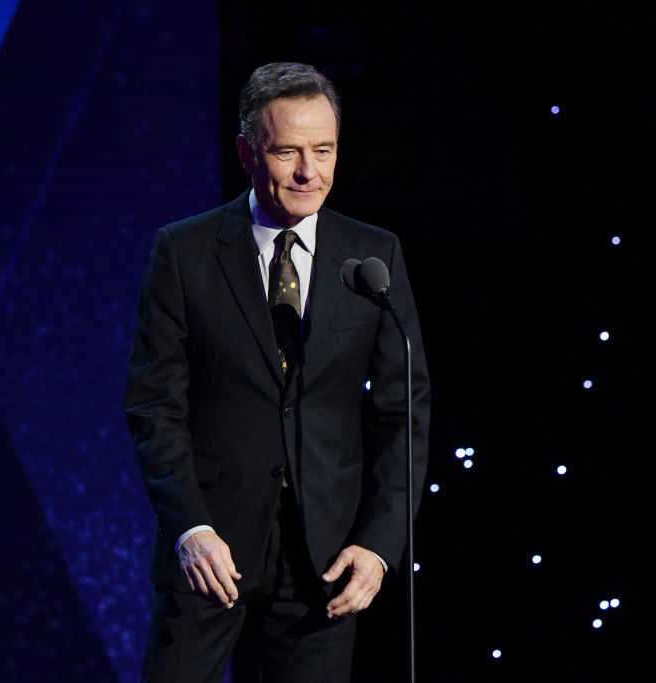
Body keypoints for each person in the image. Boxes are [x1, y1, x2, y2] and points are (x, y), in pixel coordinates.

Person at [123, 62, 430, 682]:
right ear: (247, 152)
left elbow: (404, 414)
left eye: (324, 150)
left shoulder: (373, 256)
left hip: (323, 562)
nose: (308, 172)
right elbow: (155, 405)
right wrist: (189, 527)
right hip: (210, 555)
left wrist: (378, 542)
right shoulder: (183, 252)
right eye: (288, 151)